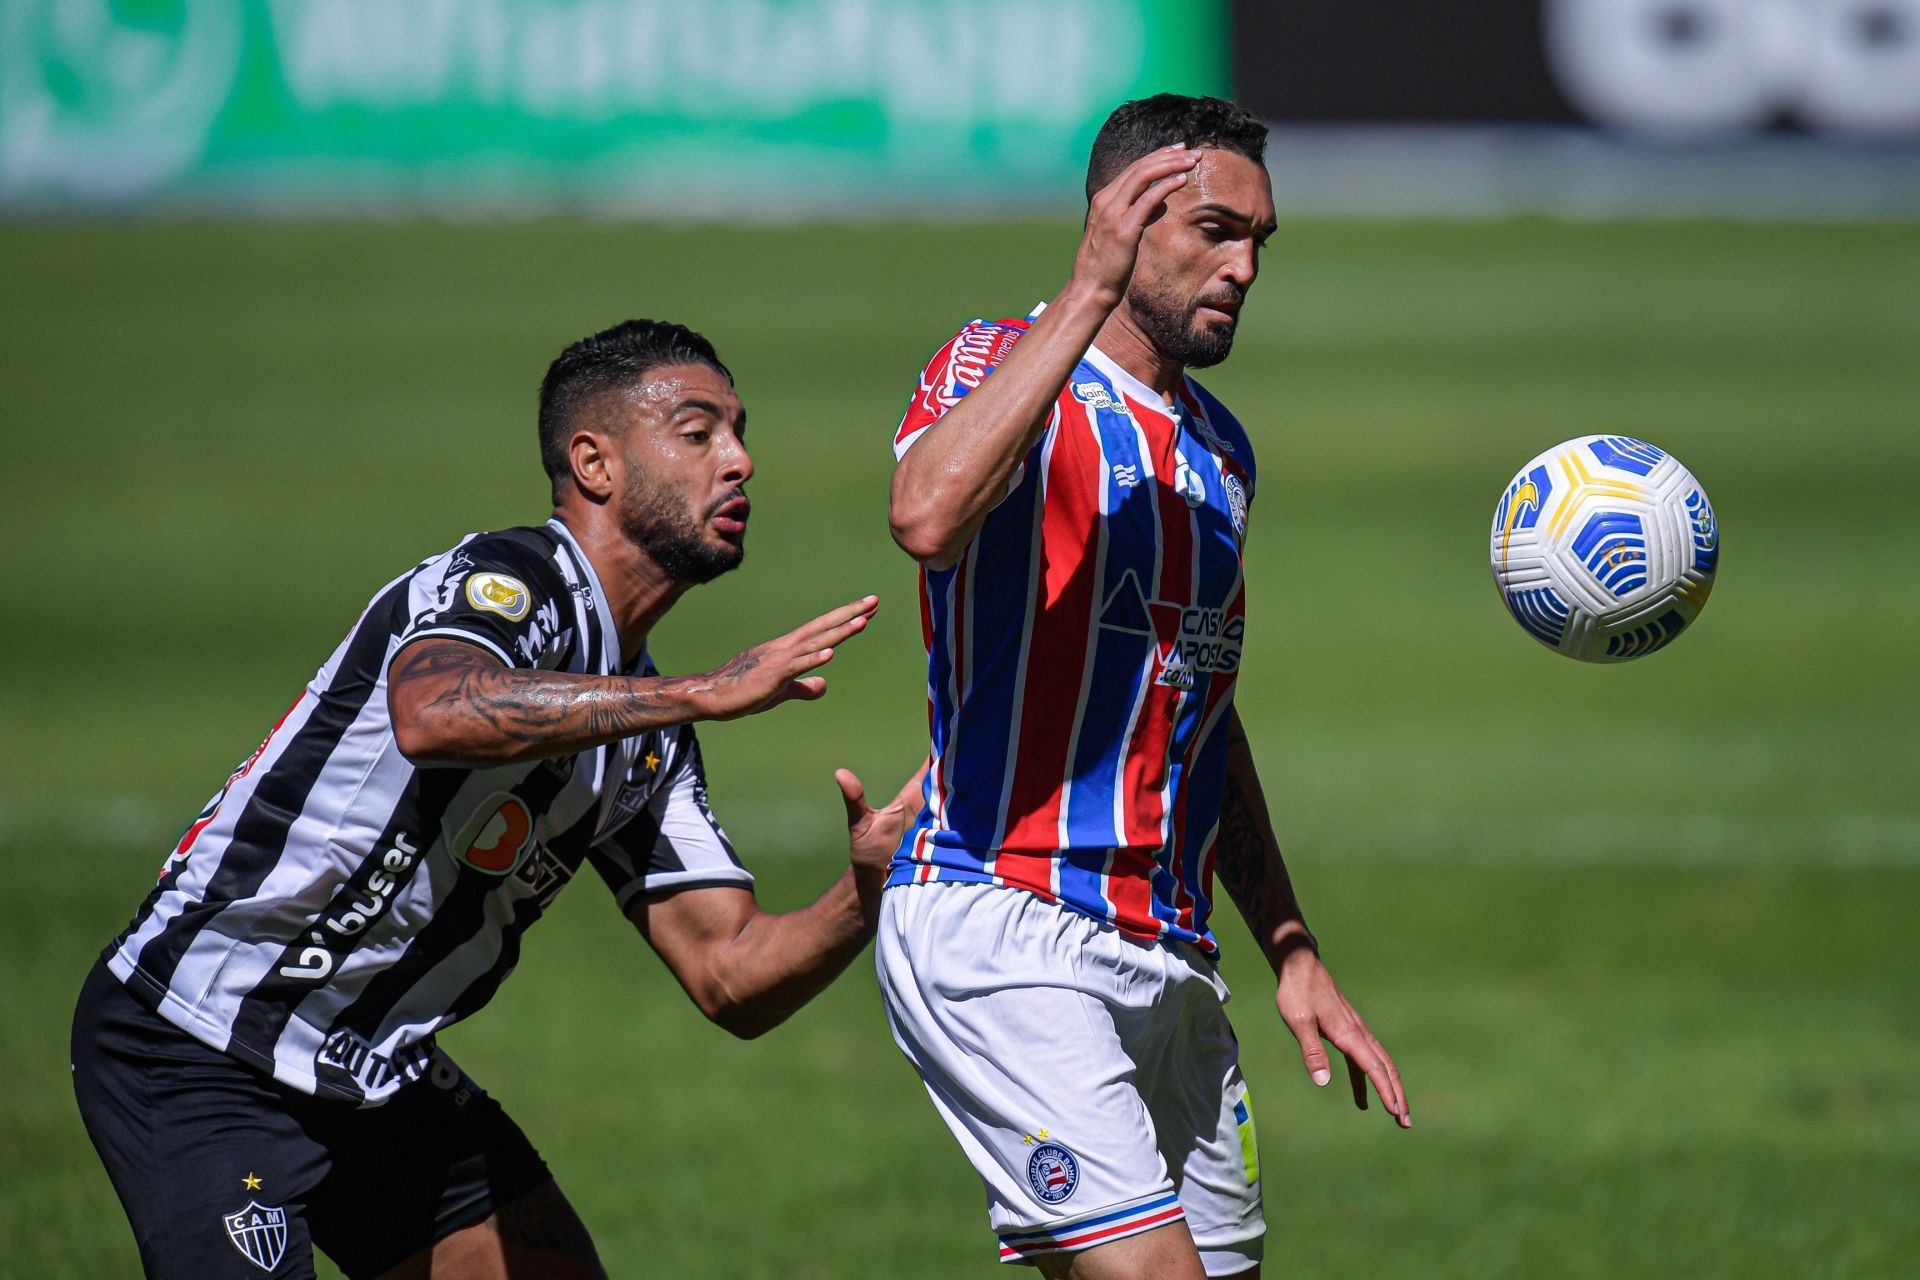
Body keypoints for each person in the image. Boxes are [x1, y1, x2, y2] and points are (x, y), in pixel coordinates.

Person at [73, 319, 920, 1280]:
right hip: (196, 1041)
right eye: (699, 433)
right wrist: (697, 692)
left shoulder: (642, 732)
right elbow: (432, 712)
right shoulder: (508, 580)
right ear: (594, 463)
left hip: (369, 1069)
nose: (741, 461)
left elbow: (730, 976)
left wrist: (868, 886)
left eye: (738, 432)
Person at [878, 95, 1410, 1280]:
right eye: (1216, 230)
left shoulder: (1221, 447)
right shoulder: (995, 361)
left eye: (1262, 240)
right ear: (1122, 218)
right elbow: (924, 514)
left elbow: (1200, 708)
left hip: (1170, 949)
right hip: (1004, 916)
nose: (1245, 266)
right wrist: (1083, 293)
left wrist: (1290, 942)